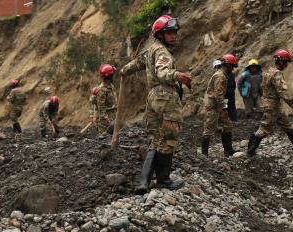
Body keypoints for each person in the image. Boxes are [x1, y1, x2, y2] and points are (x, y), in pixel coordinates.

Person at [121, 15, 192, 193]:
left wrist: (124, 71)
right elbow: (163, 72)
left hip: (152, 98)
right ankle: (164, 180)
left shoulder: (150, 50)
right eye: (169, 33)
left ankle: (143, 182)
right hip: (166, 96)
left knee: (155, 139)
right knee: (168, 138)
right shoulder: (162, 52)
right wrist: (176, 75)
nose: (174, 36)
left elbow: (136, 63)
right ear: (160, 35)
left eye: (174, 32)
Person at [247, 49, 293, 157]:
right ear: (281, 62)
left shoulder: (268, 72)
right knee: (264, 129)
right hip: (272, 106)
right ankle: (250, 151)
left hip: (272, 105)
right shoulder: (277, 74)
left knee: (287, 124)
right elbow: (283, 92)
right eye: (286, 62)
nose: (287, 65)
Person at [202, 54, 237, 157]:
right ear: (227, 65)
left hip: (218, 104)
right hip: (213, 105)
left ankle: (228, 151)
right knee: (209, 128)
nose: (232, 69)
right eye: (232, 66)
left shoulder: (222, 75)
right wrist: (224, 108)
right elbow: (218, 94)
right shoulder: (220, 76)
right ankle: (204, 154)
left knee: (227, 125)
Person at [92, 64, 118, 134]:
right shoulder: (102, 90)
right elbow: (101, 111)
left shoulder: (111, 86)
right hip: (105, 125)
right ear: (110, 76)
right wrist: (109, 123)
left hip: (114, 119)